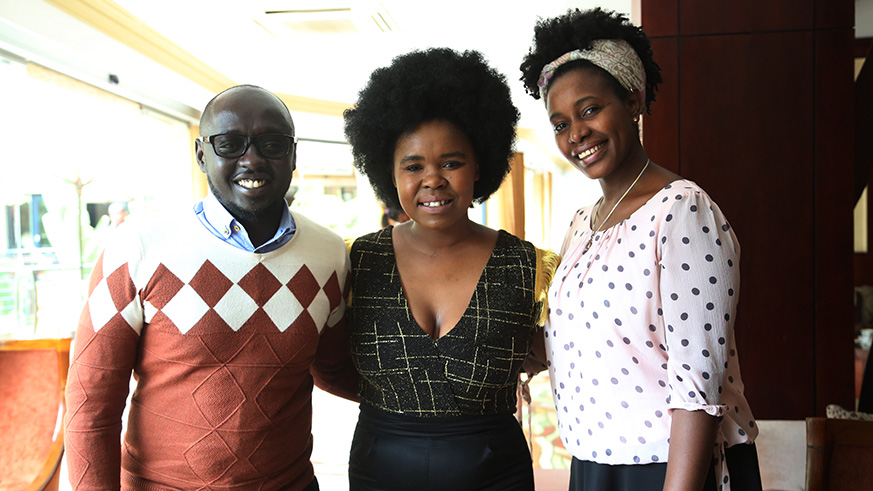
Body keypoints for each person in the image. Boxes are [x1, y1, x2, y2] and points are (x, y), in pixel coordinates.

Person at [64, 85, 357, 490]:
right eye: (230, 144)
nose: (251, 159)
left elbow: (335, 367)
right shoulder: (137, 247)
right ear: (202, 154)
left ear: (292, 155)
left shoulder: (328, 254)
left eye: (271, 143)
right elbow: (90, 401)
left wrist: (436, 404)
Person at [519, 8, 762, 491]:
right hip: (594, 462)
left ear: (632, 101)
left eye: (589, 110)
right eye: (560, 123)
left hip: (670, 466)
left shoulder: (681, 211)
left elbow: (698, 386)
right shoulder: (581, 226)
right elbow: (575, 342)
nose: (576, 135)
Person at [342, 48, 559, 491]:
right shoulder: (357, 261)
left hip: (495, 474)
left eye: (452, 162)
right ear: (389, 172)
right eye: (414, 165)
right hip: (378, 471)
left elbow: (551, 351)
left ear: (479, 164)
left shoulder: (527, 265)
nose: (433, 179)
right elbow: (328, 362)